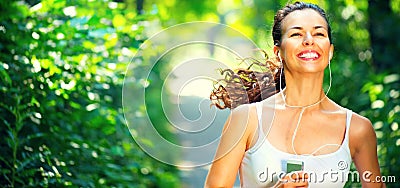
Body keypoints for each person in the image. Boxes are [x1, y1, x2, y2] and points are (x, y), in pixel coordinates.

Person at [205, 2, 384, 187]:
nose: (309, 40)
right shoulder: (246, 120)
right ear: (278, 52)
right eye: (296, 34)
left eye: (319, 34)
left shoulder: (357, 129)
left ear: (330, 51)